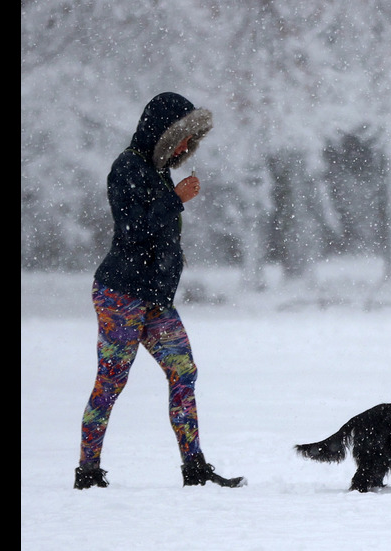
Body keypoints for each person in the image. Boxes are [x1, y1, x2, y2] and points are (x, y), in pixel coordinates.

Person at [74, 92, 245, 489]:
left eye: (190, 141)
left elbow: (159, 231)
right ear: (162, 134)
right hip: (120, 295)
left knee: (184, 372)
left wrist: (172, 201)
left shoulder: (157, 170)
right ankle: (87, 471)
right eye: (181, 139)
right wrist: (176, 199)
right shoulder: (126, 169)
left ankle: (195, 467)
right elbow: (133, 234)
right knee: (112, 380)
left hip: (154, 300)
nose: (186, 148)